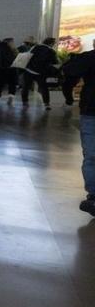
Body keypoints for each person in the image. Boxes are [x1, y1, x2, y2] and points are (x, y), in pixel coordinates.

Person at [62, 50, 95, 216]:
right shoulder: (90, 58)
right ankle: (93, 196)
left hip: (90, 113)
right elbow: (69, 70)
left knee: (91, 156)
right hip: (91, 113)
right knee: (91, 156)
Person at [21, 37, 59, 109]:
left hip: (29, 70)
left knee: (26, 87)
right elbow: (55, 62)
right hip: (41, 73)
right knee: (44, 88)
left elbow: (28, 56)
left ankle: (25, 102)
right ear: (51, 44)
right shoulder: (51, 51)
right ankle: (46, 104)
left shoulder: (35, 47)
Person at [0, 37, 19, 103]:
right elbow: (14, 59)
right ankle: (11, 96)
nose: (13, 43)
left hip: (0, 70)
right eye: (12, 42)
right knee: (12, 84)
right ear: (9, 42)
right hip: (11, 69)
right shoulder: (12, 49)